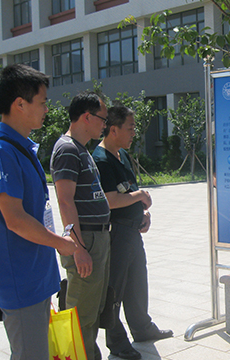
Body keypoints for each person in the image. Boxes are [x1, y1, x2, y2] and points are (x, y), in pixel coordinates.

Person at [0, 64, 77, 360]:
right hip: (20, 281)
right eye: (42, 102)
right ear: (20, 104)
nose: (46, 109)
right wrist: (61, 243)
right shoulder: (1, 153)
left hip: (34, 276)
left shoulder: (21, 148)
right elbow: (14, 219)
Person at [92, 104, 172, 360]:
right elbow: (110, 199)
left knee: (137, 282)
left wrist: (142, 214)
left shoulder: (122, 155)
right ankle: (116, 341)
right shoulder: (101, 159)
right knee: (115, 288)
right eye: (130, 128)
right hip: (115, 233)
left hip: (132, 230)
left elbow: (127, 189)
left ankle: (142, 328)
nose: (134, 133)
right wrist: (139, 196)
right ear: (113, 129)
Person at [50, 91, 111, 360]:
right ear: (87, 117)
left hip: (96, 238)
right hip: (85, 239)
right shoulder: (67, 149)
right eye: (102, 119)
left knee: (92, 311)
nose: (105, 125)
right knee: (81, 316)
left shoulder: (80, 149)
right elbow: (65, 201)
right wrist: (78, 248)